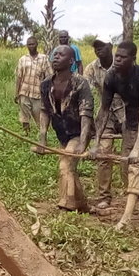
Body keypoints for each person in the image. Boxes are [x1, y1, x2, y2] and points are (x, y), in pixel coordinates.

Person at [90, 41, 139, 230]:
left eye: (123, 57)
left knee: (136, 167)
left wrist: (138, 147)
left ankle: (125, 219)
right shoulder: (111, 76)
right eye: (117, 56)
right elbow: (104, 110)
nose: (118, 59)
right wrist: (96, 143)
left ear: (133, 59)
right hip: (129, 124)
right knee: (126, 170)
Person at [35, 45, 94, 211]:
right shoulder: (46, 84)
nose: (55, 57)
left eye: (60, 55)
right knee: (70, 168)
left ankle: (67, 203)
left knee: (65, 164)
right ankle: (82, 204)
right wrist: (42, 138)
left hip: (79, 132)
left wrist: (82, 143)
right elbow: (45, 111)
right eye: (54, 54)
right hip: (62, 132)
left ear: (71, 61)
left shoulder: (80, 83)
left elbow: (86, 115)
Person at [84, 39, 125, 210]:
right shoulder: (91, 68)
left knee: (129, 156)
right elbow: (87, 92)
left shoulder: (123, 63)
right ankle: (104, 196)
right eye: (96, 48)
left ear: (111, 47)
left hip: (126, 111)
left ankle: (134, 193)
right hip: (106, 112)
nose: (99, 51)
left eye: (102, 47)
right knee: (103, 153)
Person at [14, 35, 51, 136]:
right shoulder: (23, 59)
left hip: (38, 93)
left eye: (33, 44)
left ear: (37, 44)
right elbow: (18, 77)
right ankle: (26, 133)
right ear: (26, 46)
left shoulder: (44, 59)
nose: (31, 46)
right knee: (24, 116)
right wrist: (16, 93)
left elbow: (49, 77)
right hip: (24, 91)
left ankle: (42, 136)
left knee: (39, 117)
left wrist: (48, 94)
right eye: (29, 44)